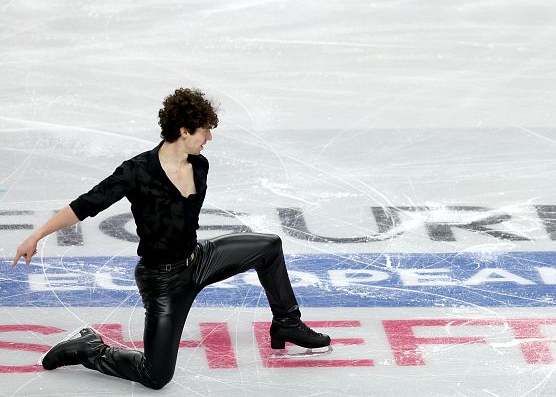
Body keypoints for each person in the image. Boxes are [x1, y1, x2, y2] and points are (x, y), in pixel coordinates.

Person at [12, 88, 331, 390]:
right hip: (163, 280)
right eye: (205, 130)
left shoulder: (200, 165)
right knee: (156, 375)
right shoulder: (136, 171)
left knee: (269, 246)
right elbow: (85, 205)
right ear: (183, 131)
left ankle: (287, 323)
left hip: (199, 259)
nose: (210, 138)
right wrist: (38, 235)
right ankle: (89, 347)